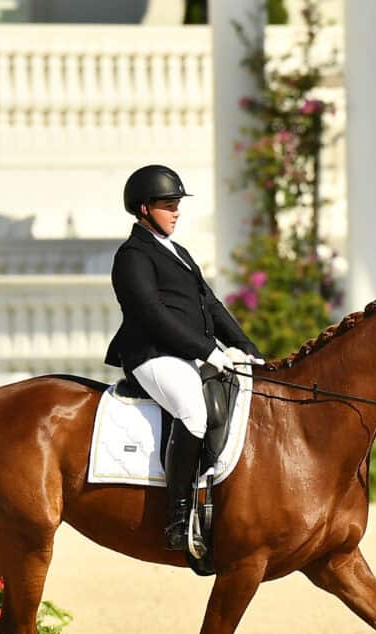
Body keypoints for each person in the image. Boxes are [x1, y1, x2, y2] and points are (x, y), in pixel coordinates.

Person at [104, 164, 264, 553]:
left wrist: (247, 348)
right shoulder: (132, 256)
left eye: (177, 204)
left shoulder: (178, 251)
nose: (176, 211)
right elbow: (153, 315)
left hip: (184, 354)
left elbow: (210, 302)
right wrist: (209, 351)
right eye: (168, 205)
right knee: (193, 411)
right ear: (143, 209)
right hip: (151, 355)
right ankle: (178, 514)